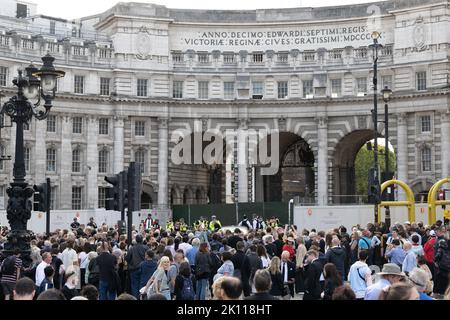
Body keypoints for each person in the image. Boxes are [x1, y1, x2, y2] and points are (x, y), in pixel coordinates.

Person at [125, 234, 149, 298]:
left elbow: (127, 258)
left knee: (134, 285)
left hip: (134, 269)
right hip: (144, 269)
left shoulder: (132, 248)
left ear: (135, 240)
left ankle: (135, 298)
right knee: (142, 284)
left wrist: (131, 263)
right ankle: (141, 298)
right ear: (142, 240)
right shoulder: (146, 248)